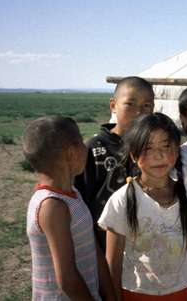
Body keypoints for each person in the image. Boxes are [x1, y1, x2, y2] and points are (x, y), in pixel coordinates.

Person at [98, 113, 187, 300]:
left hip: (180, 292)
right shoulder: (122, 200)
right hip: (135, 293)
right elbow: (113, 261)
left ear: (176, 151)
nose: (158, 156)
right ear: (134, 155)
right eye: (148, 148)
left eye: (166, 147)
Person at [24, 116, 115, 300]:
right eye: (81, 141)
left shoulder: (71, 192)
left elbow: (91, 245)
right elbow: (67, 279)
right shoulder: (52, 206)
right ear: (72, 153)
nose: (85, 147)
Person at [75, 76, 155, 251]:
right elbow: (79, 201)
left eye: (146, 106)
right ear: (113, 105)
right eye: (130, 104)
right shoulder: (94, 149)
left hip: (146, 246)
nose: (139, 112)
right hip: (101, 244)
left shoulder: (155, 147)